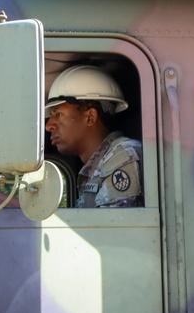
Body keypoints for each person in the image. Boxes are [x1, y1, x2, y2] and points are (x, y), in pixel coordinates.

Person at [45, 65, 143, 208]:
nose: (49, 126)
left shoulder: (122, 156)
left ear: (90, 117)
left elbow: (116, 226)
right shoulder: (94, 169)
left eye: (58, 114)